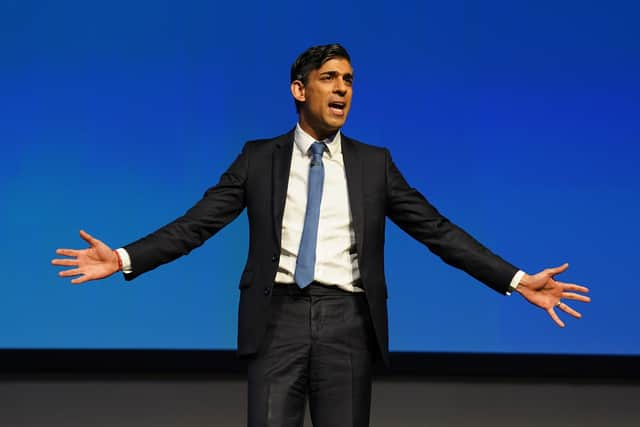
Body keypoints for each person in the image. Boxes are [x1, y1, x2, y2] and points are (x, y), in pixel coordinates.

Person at [52, 44, 590, 426]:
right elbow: (198, 224)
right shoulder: (259, 159)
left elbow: (438, 231)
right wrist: (124, 257)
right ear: (299, 89)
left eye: (350, 80)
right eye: (331, 78)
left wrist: (516, 279)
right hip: (276, 321)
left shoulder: (373, 165)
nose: (343, 89)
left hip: (348, 326)